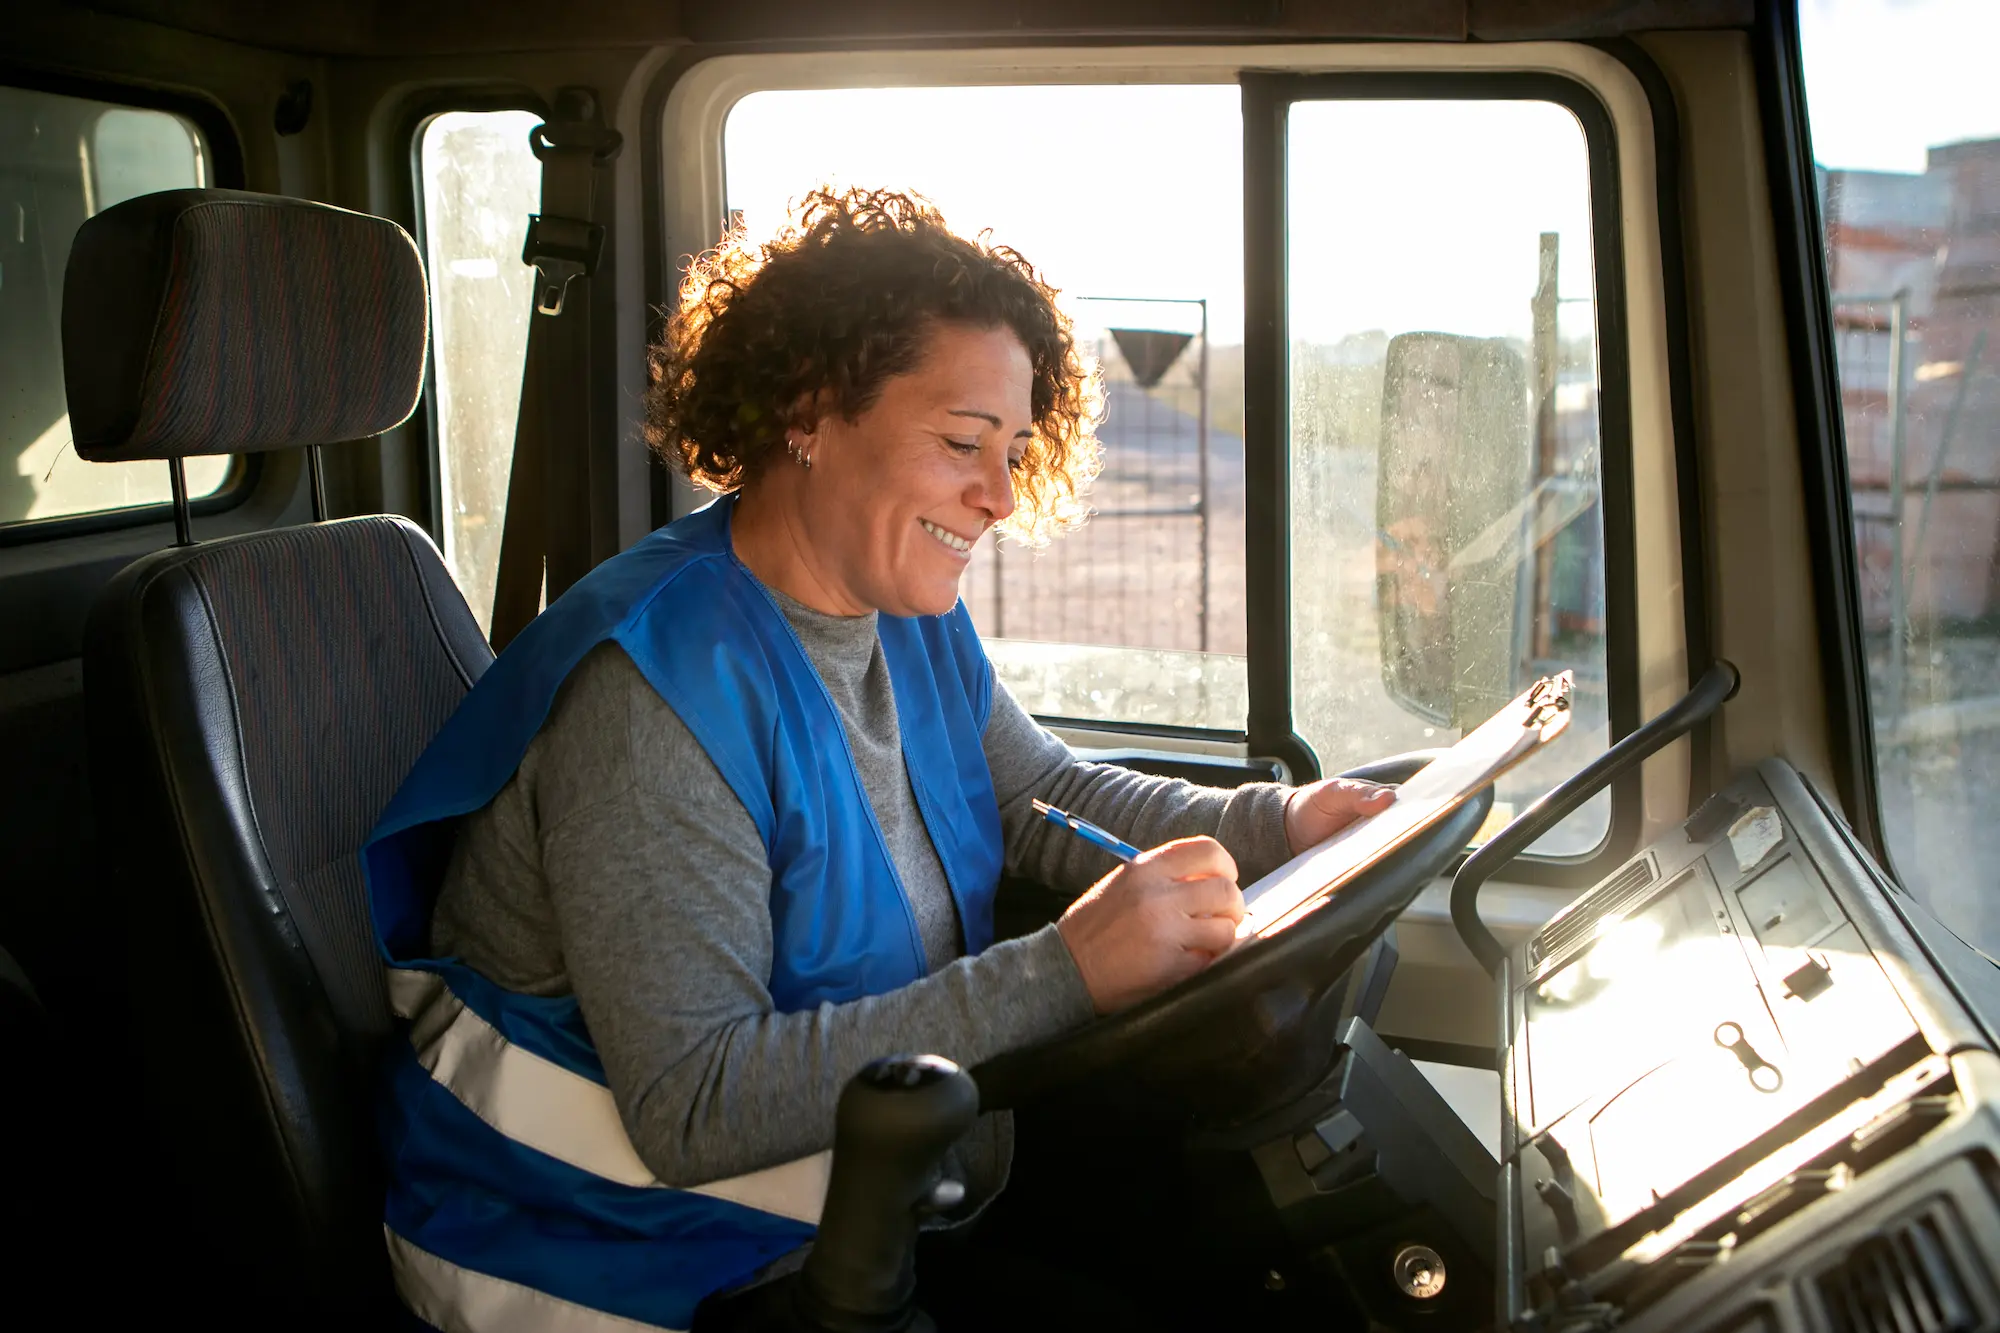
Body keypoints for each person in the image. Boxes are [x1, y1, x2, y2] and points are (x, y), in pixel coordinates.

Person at [362, 186, 1393, 1333]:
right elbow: (692, 1103)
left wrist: (1286, 823)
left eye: (1011, 451)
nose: (999, 497)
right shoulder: (651, 696)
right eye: (961, 443)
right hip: (636, 1260)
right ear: (809, 407)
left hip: (862, 1204)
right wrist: (1064, 970)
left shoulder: (899, 608)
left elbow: (1037, 794)